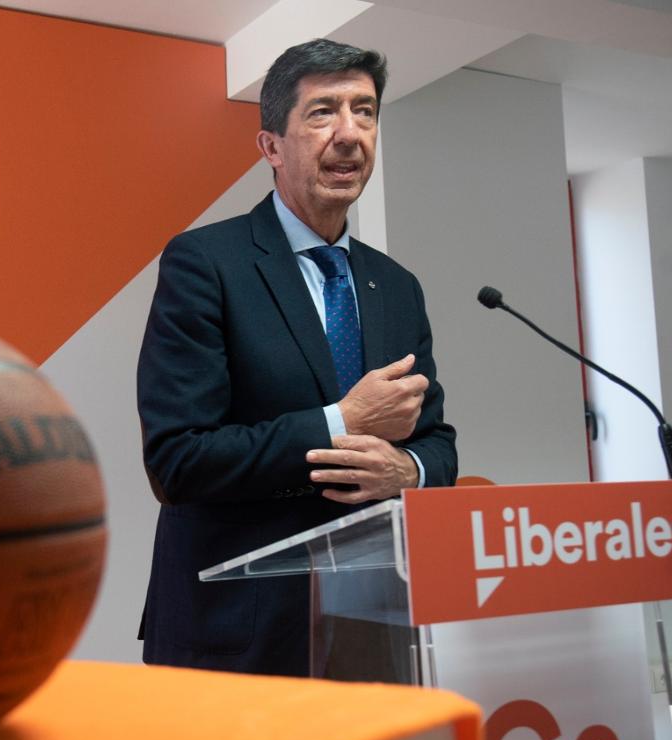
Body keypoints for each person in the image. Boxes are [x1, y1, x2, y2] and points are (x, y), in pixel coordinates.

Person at [136, 38, 457, 677]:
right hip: (236, 634)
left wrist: (408, 470)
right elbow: (178, 462)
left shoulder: (397, 286)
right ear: (272, 147)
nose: (350, 134)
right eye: (323, 112)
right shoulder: (205, 264)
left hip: (372, 626)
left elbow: (437, 442)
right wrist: (342, 422)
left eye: (365, 112)